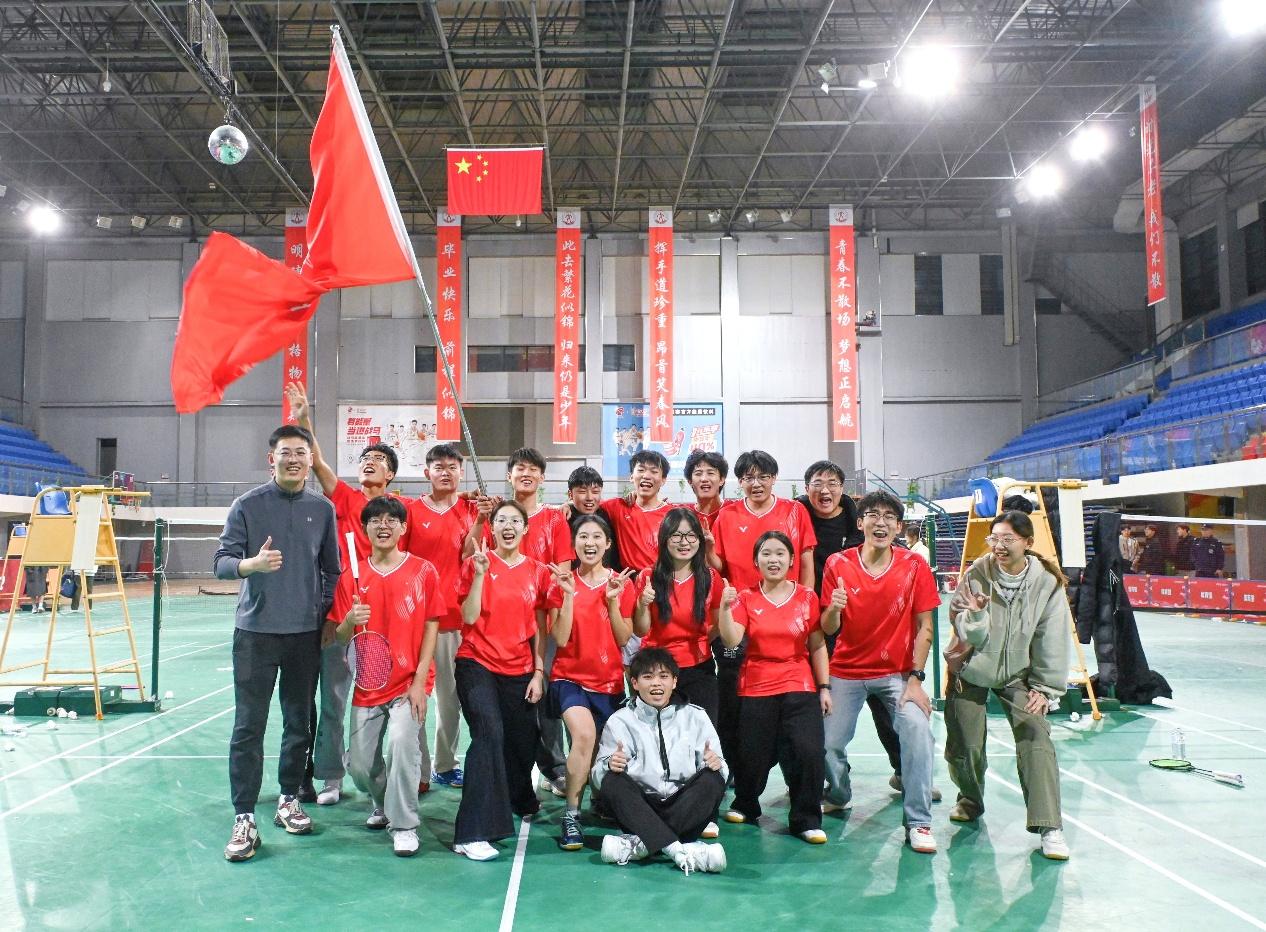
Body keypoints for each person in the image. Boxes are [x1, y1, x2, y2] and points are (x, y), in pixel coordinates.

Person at [215, 424, 340, 863]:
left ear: (310, 459)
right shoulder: (247, 506)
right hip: (255, 635)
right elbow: (222, 563)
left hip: (303, 636)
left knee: (298, 722)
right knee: (248, 726)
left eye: (301, 453)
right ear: (272, 459)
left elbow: (332, 571)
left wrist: (321, 613)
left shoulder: (322, 510)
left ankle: (289, 799)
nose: (294, 459)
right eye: (286, 452)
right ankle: (244, 816)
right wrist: (251, 564)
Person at [287, 382, 407, 805]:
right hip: (342, 610)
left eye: (379, 460)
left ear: (391, 476)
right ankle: (331, 776)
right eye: (365, 459)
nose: (370, 463)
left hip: (385, 617)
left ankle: (383, 783)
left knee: (384, 699)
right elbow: (317, 462)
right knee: (334, 697)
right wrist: (304, 418)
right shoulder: (345, 497)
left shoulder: (400, 512)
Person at [944, 510, 1072, 861]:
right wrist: (975, 615)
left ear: (1028, 542)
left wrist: (1045, 689)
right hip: (972, 669)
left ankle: (1049, 826)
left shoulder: (1047, 582)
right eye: (994, 538)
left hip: (1018, 673)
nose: (998, 546)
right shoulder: (976, 574)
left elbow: (1052, 636)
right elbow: (964, 631)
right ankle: (970, 799)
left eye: (1007, 539)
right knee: (965, 742)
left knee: (1035, 734)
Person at [819, 490, 940, 854]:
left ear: (899, 527)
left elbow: (925, 627)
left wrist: (916, 679)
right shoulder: (838, 563)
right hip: (846, 670)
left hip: (896, 674)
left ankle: (918, 822)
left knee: (917, 730)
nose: (881, 522)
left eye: (889, 517)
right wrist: (834, 608)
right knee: (827, 743)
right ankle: (838, 793)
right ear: (860, 523)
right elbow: (827, 627)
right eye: (873, 515)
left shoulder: (914, 566)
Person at [453, 500, 567, 861]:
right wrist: (480, 575)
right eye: (501, 520)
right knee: (488, 733)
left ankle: (519, 797)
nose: (507, 526)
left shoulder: (537, 572)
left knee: (523, 740)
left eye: (515, 521)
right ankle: (471, 832)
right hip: (476, 663)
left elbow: (540, 628)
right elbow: (468, 617)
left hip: (519, 668)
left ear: (525, 529)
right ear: (492, 527)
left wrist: (538, 672)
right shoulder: (476, 564)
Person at [332, 498, 445, 857]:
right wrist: (349, 620)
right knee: (360, 767)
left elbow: (432, 625)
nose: (383, 526)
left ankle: (405, 825)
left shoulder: (423, 571)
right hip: (369, 682)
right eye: (375, 520)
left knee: (401, 743)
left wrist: (420, 682)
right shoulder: (351, 577)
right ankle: (384, 802)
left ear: (403, 527)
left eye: (391, 520)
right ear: (365, 529)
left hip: (408, 681)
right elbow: (339, 636)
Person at [717, 531, 830, 844]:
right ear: (756, 561)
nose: (773, 559)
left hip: (799, 681)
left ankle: (806, 819)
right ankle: (746, 803)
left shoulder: (807, 597)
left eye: (780, 553)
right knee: (752, 754)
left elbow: (817, 644)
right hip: (756, 684)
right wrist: (724, 609)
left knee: (809, 751)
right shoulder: (745, 598)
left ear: (792, 560)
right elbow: (731, 640)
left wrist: (824, 686)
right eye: (766, 554)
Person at [475, 448, 575, 798]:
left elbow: (562, 570)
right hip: (499, 623)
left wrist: (549, 606)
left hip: (542, 618)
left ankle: (554, 767)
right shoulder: (496, 516)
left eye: (534, 469)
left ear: (542, 478)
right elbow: (476, 558)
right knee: (507, 702)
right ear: (510, 475)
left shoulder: (555, 519)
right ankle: (505, 767)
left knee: (544, 694)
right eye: (520, 468)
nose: (526, 473)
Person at [708, 450, 816, 767]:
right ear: (739, 482)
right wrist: (708, 550)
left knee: (791, 701)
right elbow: (719, 565)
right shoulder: (727, 515)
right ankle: (732, 765)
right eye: (748, 478)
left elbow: (806, 562)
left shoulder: (795, 511)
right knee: (732, 696)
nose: (756, 483)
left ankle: (795, 769)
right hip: (740, 621)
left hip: (787, 620)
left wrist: (806, 606)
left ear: (774, 478)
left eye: (763, 477)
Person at [591, 648, 728, 875]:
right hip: (641, 809)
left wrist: (716, 764)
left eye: (663, 676)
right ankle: (681, 850)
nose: (656, 683)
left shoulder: (696, 716)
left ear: (674, 681)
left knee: (713, 779)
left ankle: (642, 845)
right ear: (634, 683)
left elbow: (721, 767)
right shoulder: (620, 720)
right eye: (648, 677)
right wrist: (608, 765)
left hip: (684, 808)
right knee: (612, 781)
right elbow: (597, 777)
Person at [549, 514, 636, 850]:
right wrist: (568, 595)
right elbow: (560, 637)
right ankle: (571, 815)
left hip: (609, 682)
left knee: (601, 751)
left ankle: (599, 801)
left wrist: (613, 601)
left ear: (608, 543)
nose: (590, 542)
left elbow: (624, 637)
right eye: (583, 536)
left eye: (597, 536)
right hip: (568, 678)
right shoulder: (562, 582)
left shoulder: (621, 584)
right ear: (574, 544)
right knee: (584, 735)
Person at [405, 443, 480, 790]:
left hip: (453, 619)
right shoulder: (410, 511)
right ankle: (418, 769)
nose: (446, 472)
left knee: (450, 699)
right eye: (439, 467)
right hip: (416, 620)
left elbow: (470, 554)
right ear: (427, 473)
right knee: (413, 694)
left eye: (452, 466)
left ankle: (445, 764)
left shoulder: (471, 509)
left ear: (461, 472)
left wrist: (481, 517)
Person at [601, 450, 674, 572]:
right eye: (641, 470)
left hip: (663, 578)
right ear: (631, 476)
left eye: (654, 471)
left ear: (663, 480)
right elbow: (588, 504)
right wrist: (568, 506)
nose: (646, 476)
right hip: (629, 579)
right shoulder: (617, 507)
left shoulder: (672, 514)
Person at [683, 450, 730, 530]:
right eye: (698, 474)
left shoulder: (734, 510)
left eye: (710, 473)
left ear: (721, 480)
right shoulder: (685, 514)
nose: (704, 479)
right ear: (690, 481)